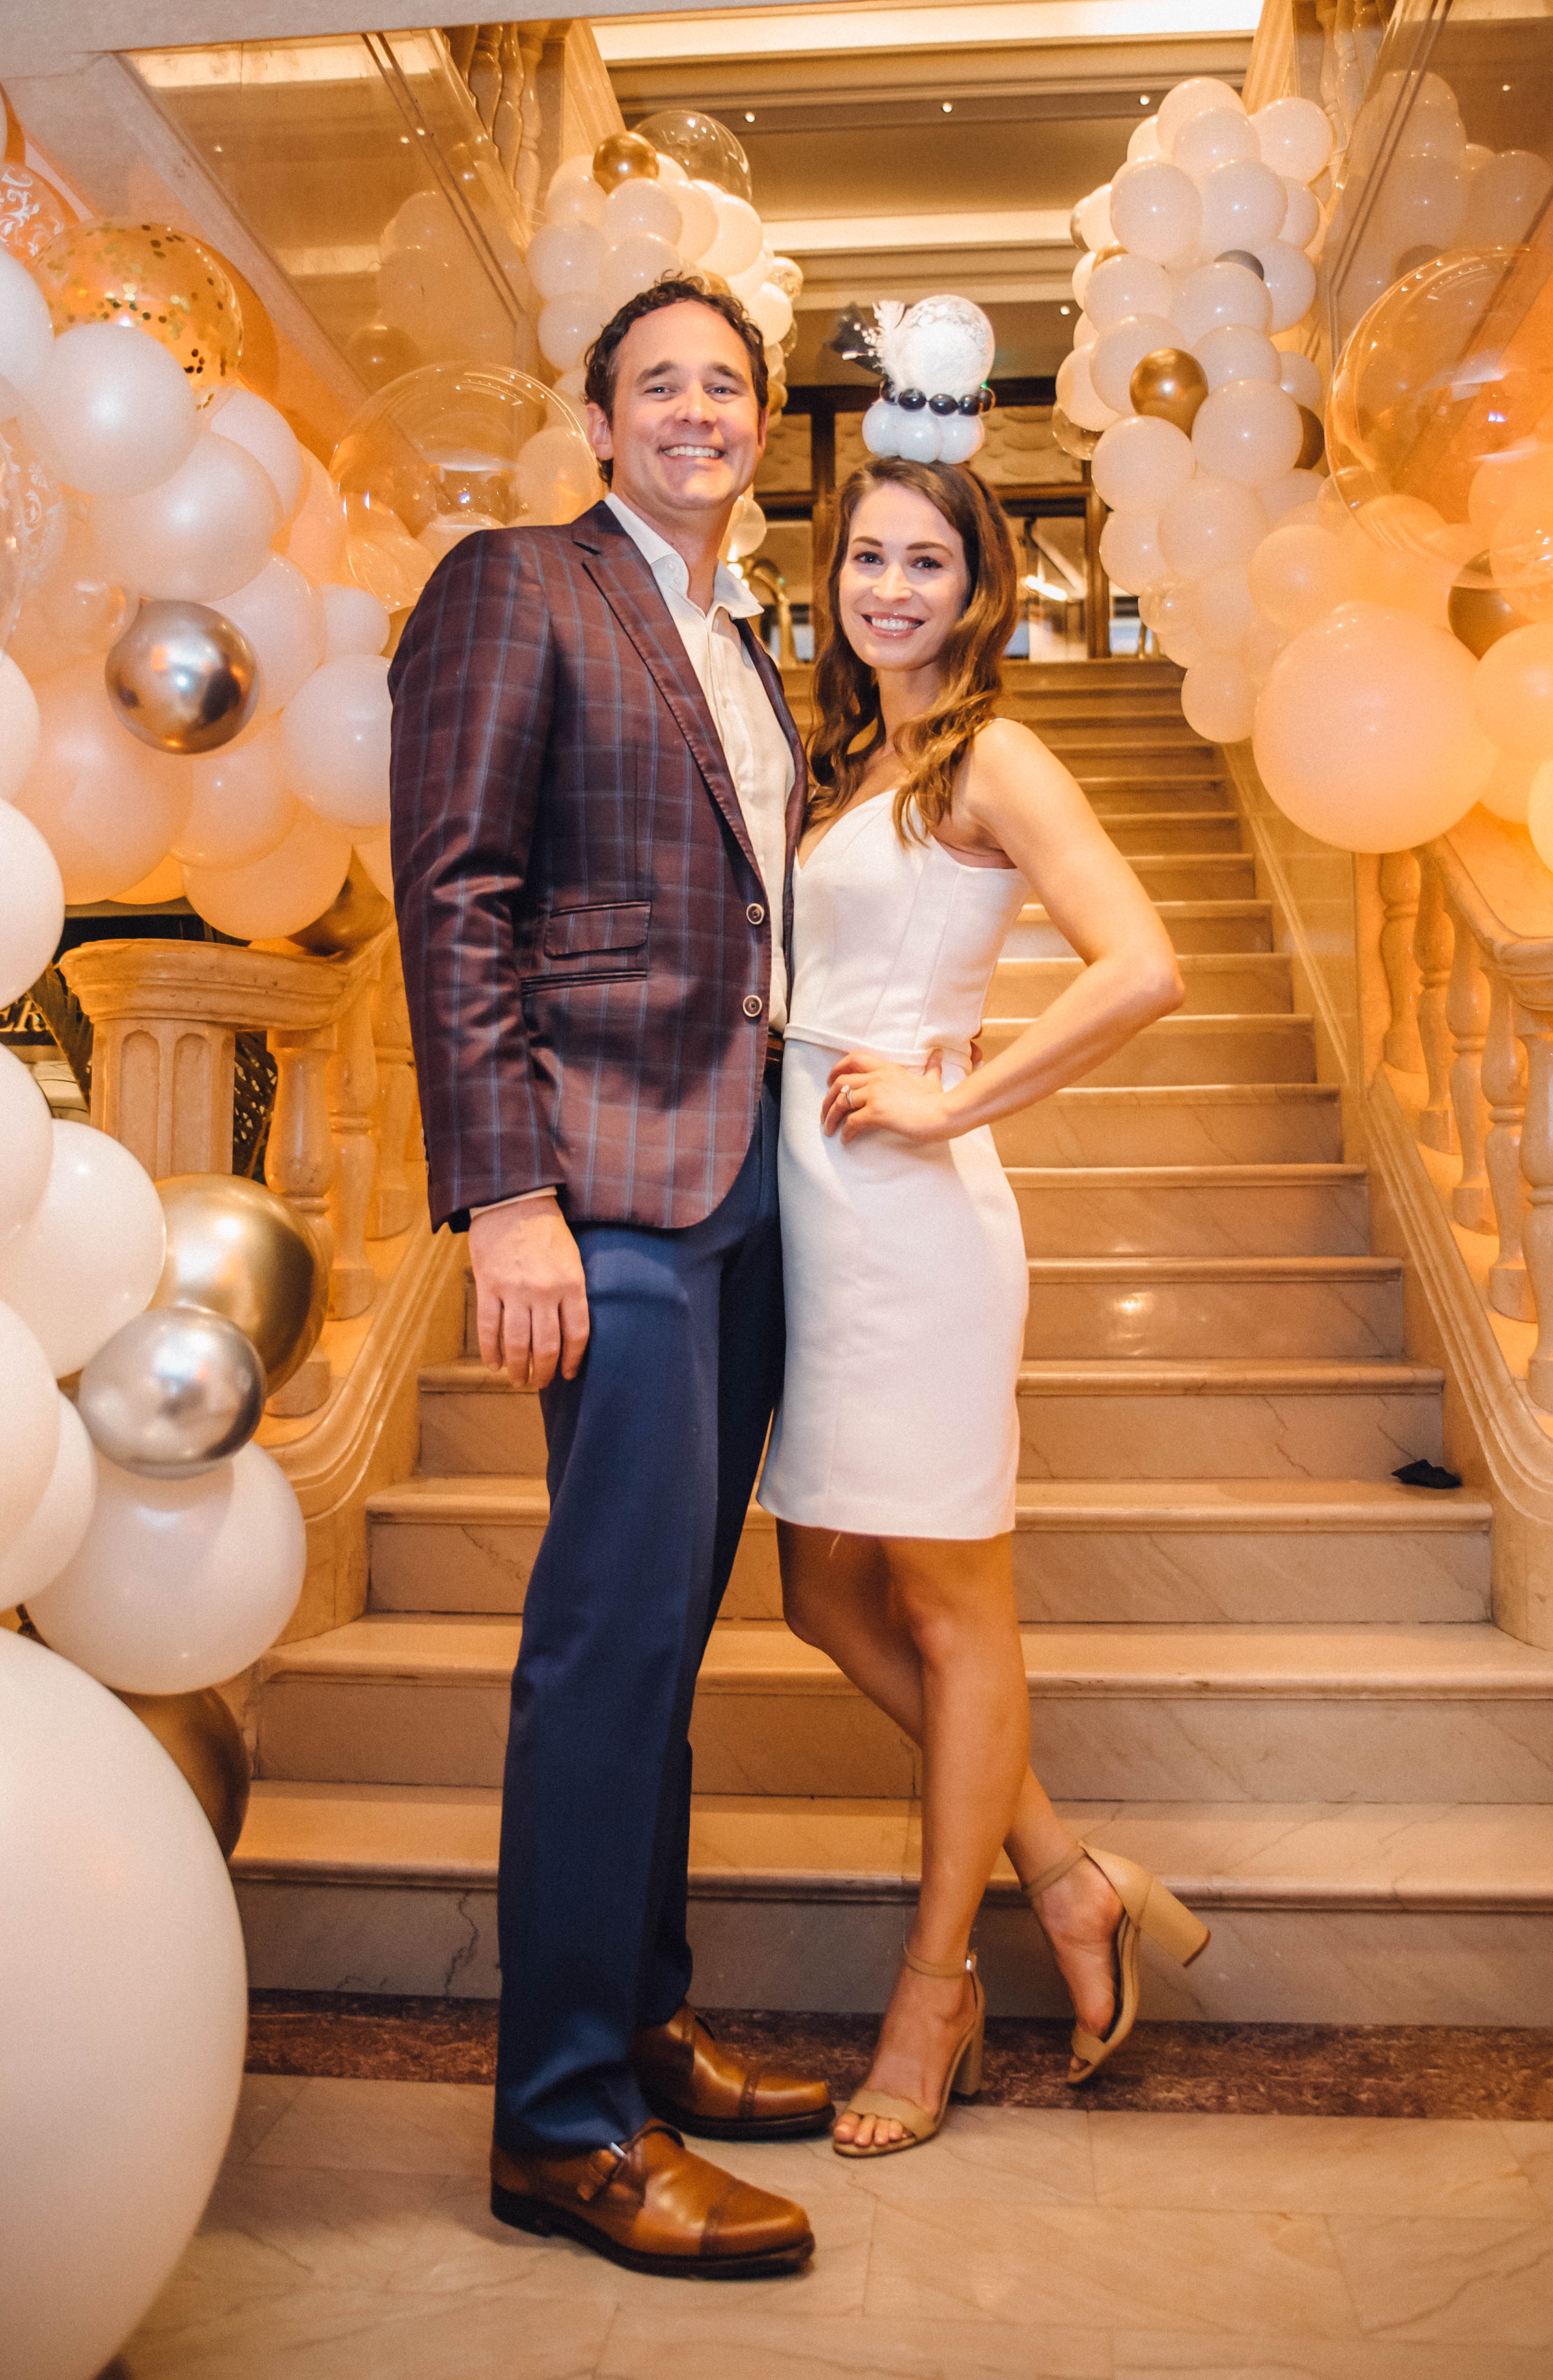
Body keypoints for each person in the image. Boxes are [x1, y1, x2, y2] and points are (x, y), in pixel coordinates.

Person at [387, 278, 831, 2278]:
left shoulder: (747, 639)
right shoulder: (516, 584)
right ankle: (562, 2126)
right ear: (597, 420)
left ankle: (641, 2032)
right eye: (658, 383)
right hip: (605, 1188)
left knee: (663, 1644)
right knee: (602, 1648)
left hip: (742, 1197)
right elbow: (457, 889)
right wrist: (506, 1198)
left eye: (725, 385)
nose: (694, 411)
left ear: (761, 425)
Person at [759, 450, 1211, 2156]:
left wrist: (953, 1100)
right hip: (813, 1214)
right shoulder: (843, 755)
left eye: (925, 562)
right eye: (866, 557)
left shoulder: (989, 753)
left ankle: (932, 1989)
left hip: (910, 1224)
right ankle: (1066, 1873)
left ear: (978, 587)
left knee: (952, 1608)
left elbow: (1143, 963)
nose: (890, 587)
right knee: (819, 1590)